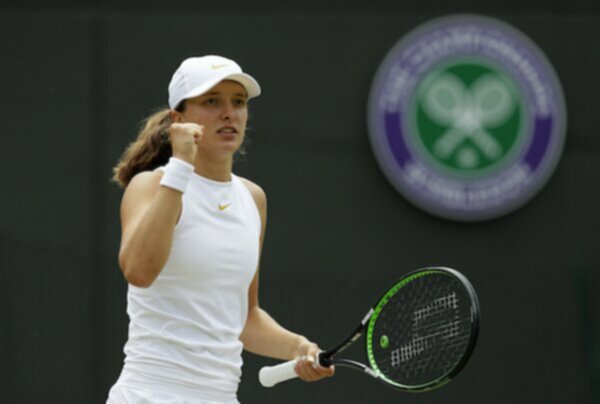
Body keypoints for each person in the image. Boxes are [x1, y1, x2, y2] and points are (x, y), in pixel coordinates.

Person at [107, 55, 334, 403]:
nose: (229, 113)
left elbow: (245, 318)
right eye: (212, 101)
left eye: (238, 103)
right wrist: (181, 165)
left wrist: (298, 347)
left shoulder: (253, 198)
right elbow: (138, 271)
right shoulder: (151, 185)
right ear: (178, 119)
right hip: (148, 395)